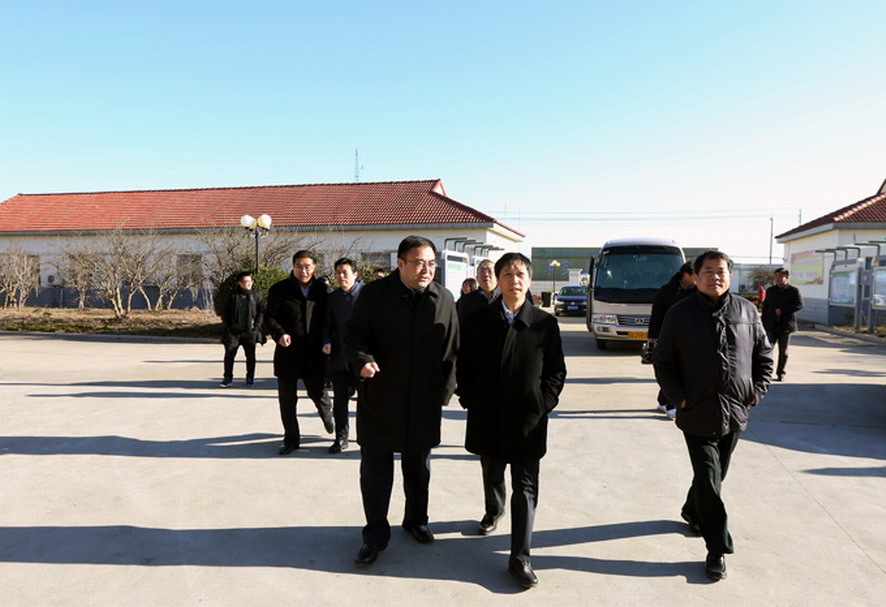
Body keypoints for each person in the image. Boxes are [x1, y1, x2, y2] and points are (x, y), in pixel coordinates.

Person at [653, 251, 773, 581]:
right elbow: (663, 361)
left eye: (721, 271)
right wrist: (678, 397)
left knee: (716, 475)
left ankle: (692, 510)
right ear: (696, 276)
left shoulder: (747, 311)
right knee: (709, 478)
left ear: (730, 276)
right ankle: (716, 548)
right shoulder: (679, 313)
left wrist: (756, 391)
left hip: (735, 409)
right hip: (696, 411)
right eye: (707, 271)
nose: (714, 277)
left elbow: (764, 356)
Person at [345, 235, 458, 567]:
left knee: (419, 469)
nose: (426, 270)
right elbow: (353, 335)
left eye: (431, 264)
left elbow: (452, 349)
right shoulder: (374, 295)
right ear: (400, 263)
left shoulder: (443, 298)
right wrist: (362, 361)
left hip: (422, 401)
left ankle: (416, 520)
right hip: (381, 396)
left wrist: (443, 393)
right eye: (419, 263)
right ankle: (374, 536)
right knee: (376, 473)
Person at [457, 252, 566, 589]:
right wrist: (469, 398)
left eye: (520, 274)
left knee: (526, 487)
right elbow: (464, 364)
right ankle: (494, 509)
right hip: (487, 416)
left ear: (529, 281)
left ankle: (520, 557)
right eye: (507, 274)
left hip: (527, 420)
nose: (514, 280)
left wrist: (543, 403)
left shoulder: (544, 324)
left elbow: (556, 371)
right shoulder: (478, 319)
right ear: (498, 280)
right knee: (492, 471)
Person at [265, 250, 334, 455]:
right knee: (287, 401)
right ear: (293, 266)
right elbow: (269, 318)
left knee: (317, 392)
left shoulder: (323, 290)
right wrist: (279, 334)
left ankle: (327, 416)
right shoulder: (279, 289)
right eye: (299, 266)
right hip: (288, 352)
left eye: (307, 267)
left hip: (315, 353)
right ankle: (291, 439)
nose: (303, 271)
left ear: (314, 267)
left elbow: (330, 320)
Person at [322, 257, 363, 454]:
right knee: (340, 400)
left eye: (344, 272)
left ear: (355, 274)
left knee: (366, 400)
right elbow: (327, 325)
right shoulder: (333, 298)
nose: (340, 276)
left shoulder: (367, 295)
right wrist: (326, 341)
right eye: (337, 273)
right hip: (339, 356)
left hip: (363, 358)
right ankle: (341, 437)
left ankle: (366, 436)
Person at [646, 261, 697, 418]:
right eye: (695, 275)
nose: (698, 279)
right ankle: (671, 405)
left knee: (681, 371)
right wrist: (652, 338)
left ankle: (663, 401)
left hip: (690, 338)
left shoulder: (697, 292)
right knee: (673, 370)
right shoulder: (667, 291)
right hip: (668, 337)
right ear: (686, 275)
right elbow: (657, 315)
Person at [220, 271, 264, 387]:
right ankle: (227, 378)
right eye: (246, 281)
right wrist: (229, 325)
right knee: (229, 355)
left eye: (250, 281)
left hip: (249, 331)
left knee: (250, 356)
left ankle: (250, 377)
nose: (249, 284)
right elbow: (225, 311)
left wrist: (256, 328)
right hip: (234, 332)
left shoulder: (255, 296)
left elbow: (261, 312)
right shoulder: (233, 295)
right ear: (239, 283)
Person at [761, 268, 803, 382]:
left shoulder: (793, 291)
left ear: (787, 277)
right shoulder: (771, 290)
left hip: (786, 326)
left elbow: (799, 305)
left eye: (780, 276)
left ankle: (781, 373)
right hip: (771, 325)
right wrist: (762, 323)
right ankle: (766, 373)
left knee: (783, 352)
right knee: (767, 350)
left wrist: (784, 310)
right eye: (776, 276)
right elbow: (765, 307)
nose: (777, 279)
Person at [457, 259, 499, 324]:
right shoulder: (467, 300)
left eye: (489, 271)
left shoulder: (505, 298)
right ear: (477, 278)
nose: (486, 274)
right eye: (482, 271)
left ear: (497, 277)